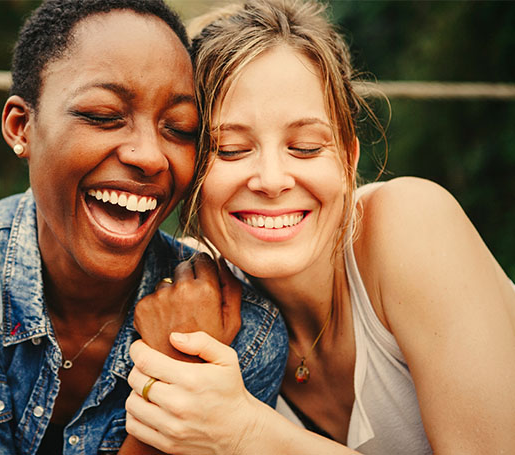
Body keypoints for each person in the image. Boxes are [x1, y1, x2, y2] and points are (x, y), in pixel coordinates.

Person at [0, 1, 288, 453]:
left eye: (179, 128)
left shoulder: (242, 337)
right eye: (103, 116)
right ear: (21, 127)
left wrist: (182, 372)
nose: (149, 155)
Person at [122, 0, 515, 453]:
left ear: (348, 161)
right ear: (190, 174)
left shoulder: (412, 222)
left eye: (305, 147)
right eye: (229, 150)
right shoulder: (200, 293)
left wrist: (249, 434)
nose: (271, 180)